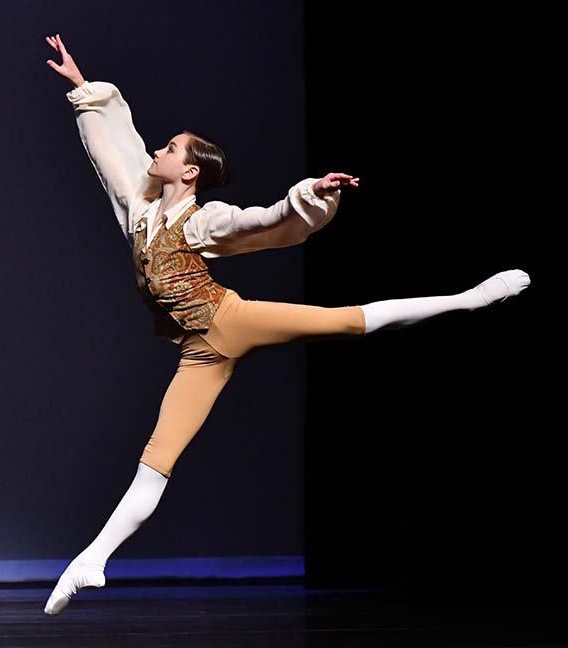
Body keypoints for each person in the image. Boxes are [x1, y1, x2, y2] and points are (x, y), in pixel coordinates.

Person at [42, 34, 530, 616]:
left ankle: (468, 299)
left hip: (232, 321)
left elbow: (266, 219)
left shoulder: (205, 220)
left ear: (189, 170)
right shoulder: (140, 212)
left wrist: (312, 194)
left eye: (171, 147)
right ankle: (93, 560)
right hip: (200, 353)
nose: (160, 149)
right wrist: (85, 90)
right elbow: (117, 154)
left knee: (349, 323)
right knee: (156, 461)